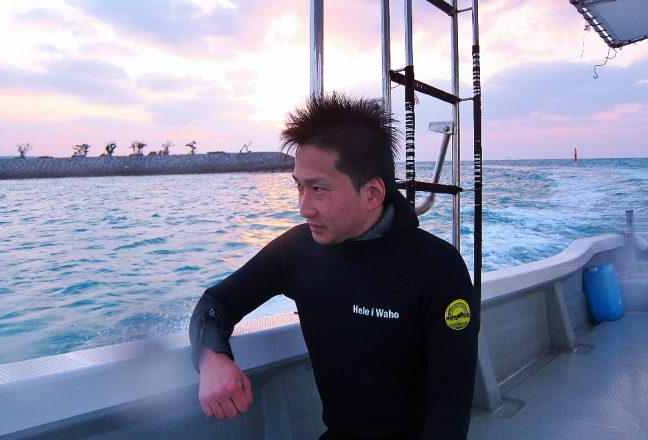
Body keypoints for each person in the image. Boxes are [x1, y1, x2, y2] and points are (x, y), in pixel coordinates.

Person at [189, 92, 479, 439]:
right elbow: (217, 303)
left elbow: (449, 416)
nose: (304, 207)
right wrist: (212, 357)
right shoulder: (297, 250)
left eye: (318, 188)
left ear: (372, 193)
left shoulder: (438, 269)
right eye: (299, 186)